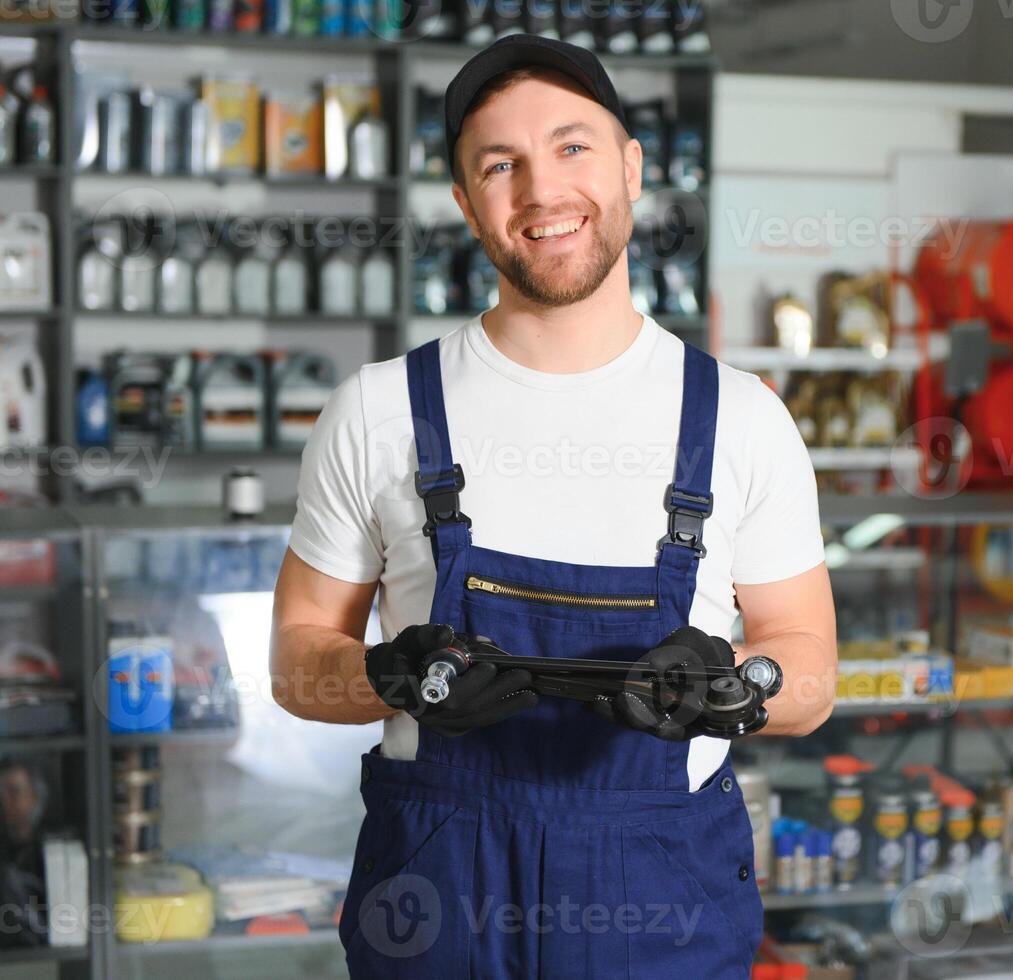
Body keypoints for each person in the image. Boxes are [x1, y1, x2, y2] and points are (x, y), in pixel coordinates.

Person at [270, 34, 837, 979]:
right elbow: (295, 666)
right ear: (465, 202)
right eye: (502, 164)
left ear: (630, 166)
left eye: (572, 147)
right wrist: (391, 678)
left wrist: (735, 683)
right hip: (439, 903)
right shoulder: (378, 411)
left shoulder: (742, 418)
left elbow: (810, 678)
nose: (541, 191)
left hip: (662, 906)